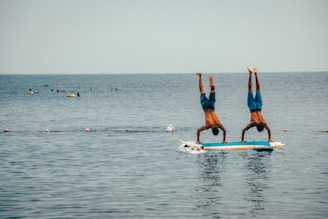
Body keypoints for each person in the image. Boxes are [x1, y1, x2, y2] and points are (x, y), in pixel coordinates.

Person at [241, 67, 272, 142]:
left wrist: (269, 138)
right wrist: (242, 139)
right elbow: (243, 130)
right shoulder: (253, 123)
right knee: (250, 89)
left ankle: (255, 74)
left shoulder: (263, 123)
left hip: (258, 106)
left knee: (258, 88)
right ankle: (251, 74)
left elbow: (269, 130)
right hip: (252, 107)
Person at [196, 72, 227, 144]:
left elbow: (224, 130)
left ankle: (212, 85)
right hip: (205, 107)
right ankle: (200, 76)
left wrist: (224, 140)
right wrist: (198, 140)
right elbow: (198, 130)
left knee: (213, 91)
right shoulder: (208, 126)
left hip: (212, 106)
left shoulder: (219, 124)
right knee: (201, 90)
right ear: (212, 131)